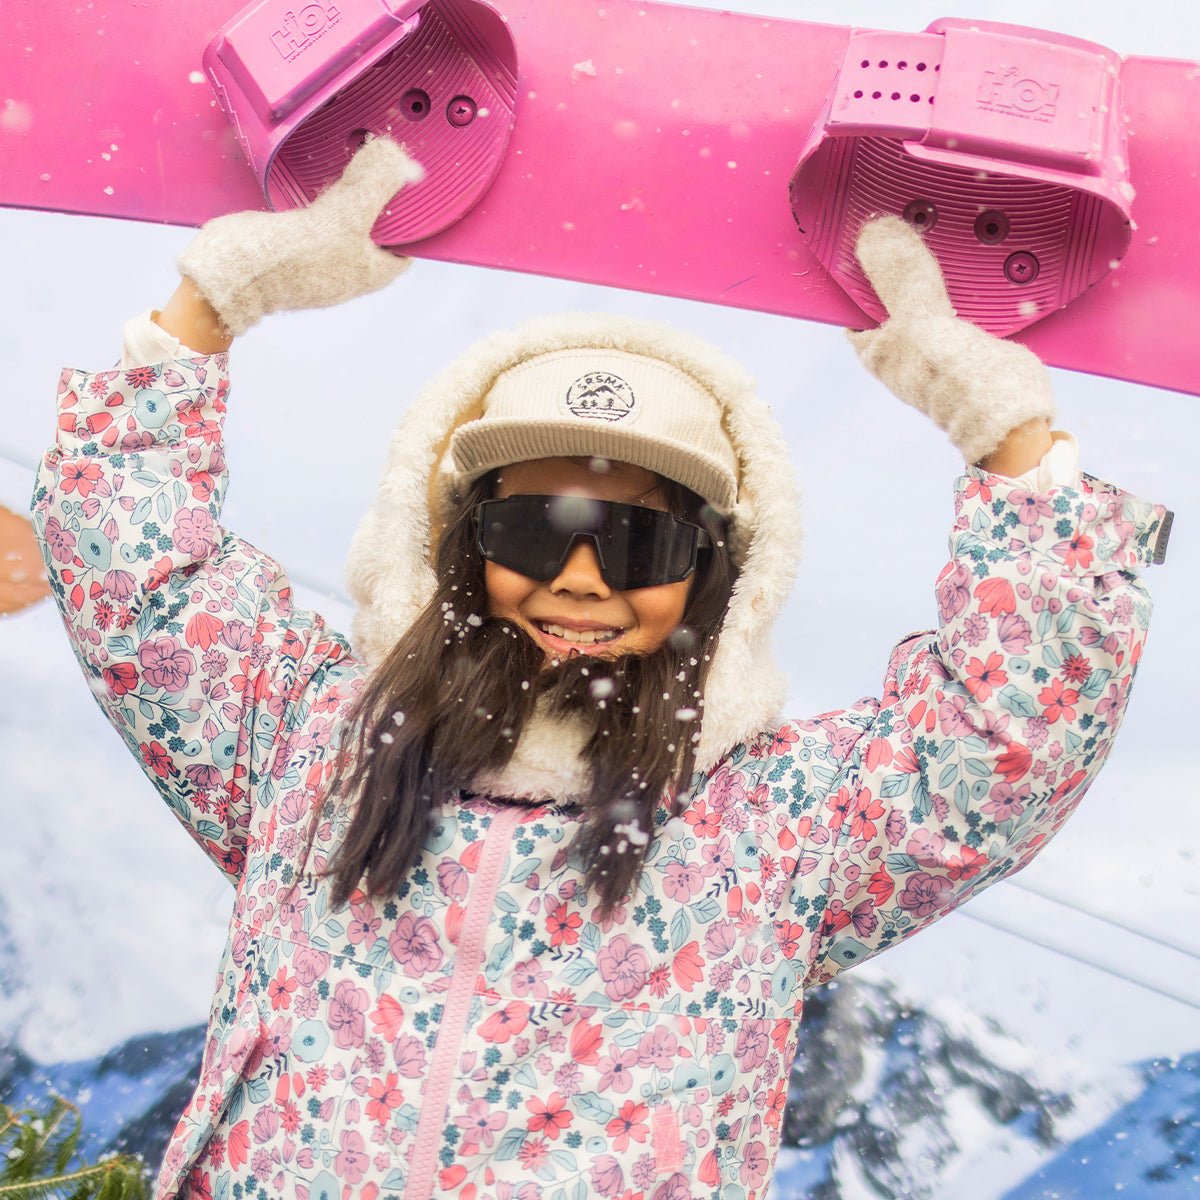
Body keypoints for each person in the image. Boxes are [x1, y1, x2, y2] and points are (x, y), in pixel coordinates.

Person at [31, 139, 1170, 1200]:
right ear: (460, 542)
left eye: (638, 543)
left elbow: (1011, 736)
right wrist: (211, 307)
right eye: (534, 530)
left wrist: (1011, 447)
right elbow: (135, 570)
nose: (581, 579)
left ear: (715, 573)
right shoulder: (312, 742)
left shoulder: (775, 828)